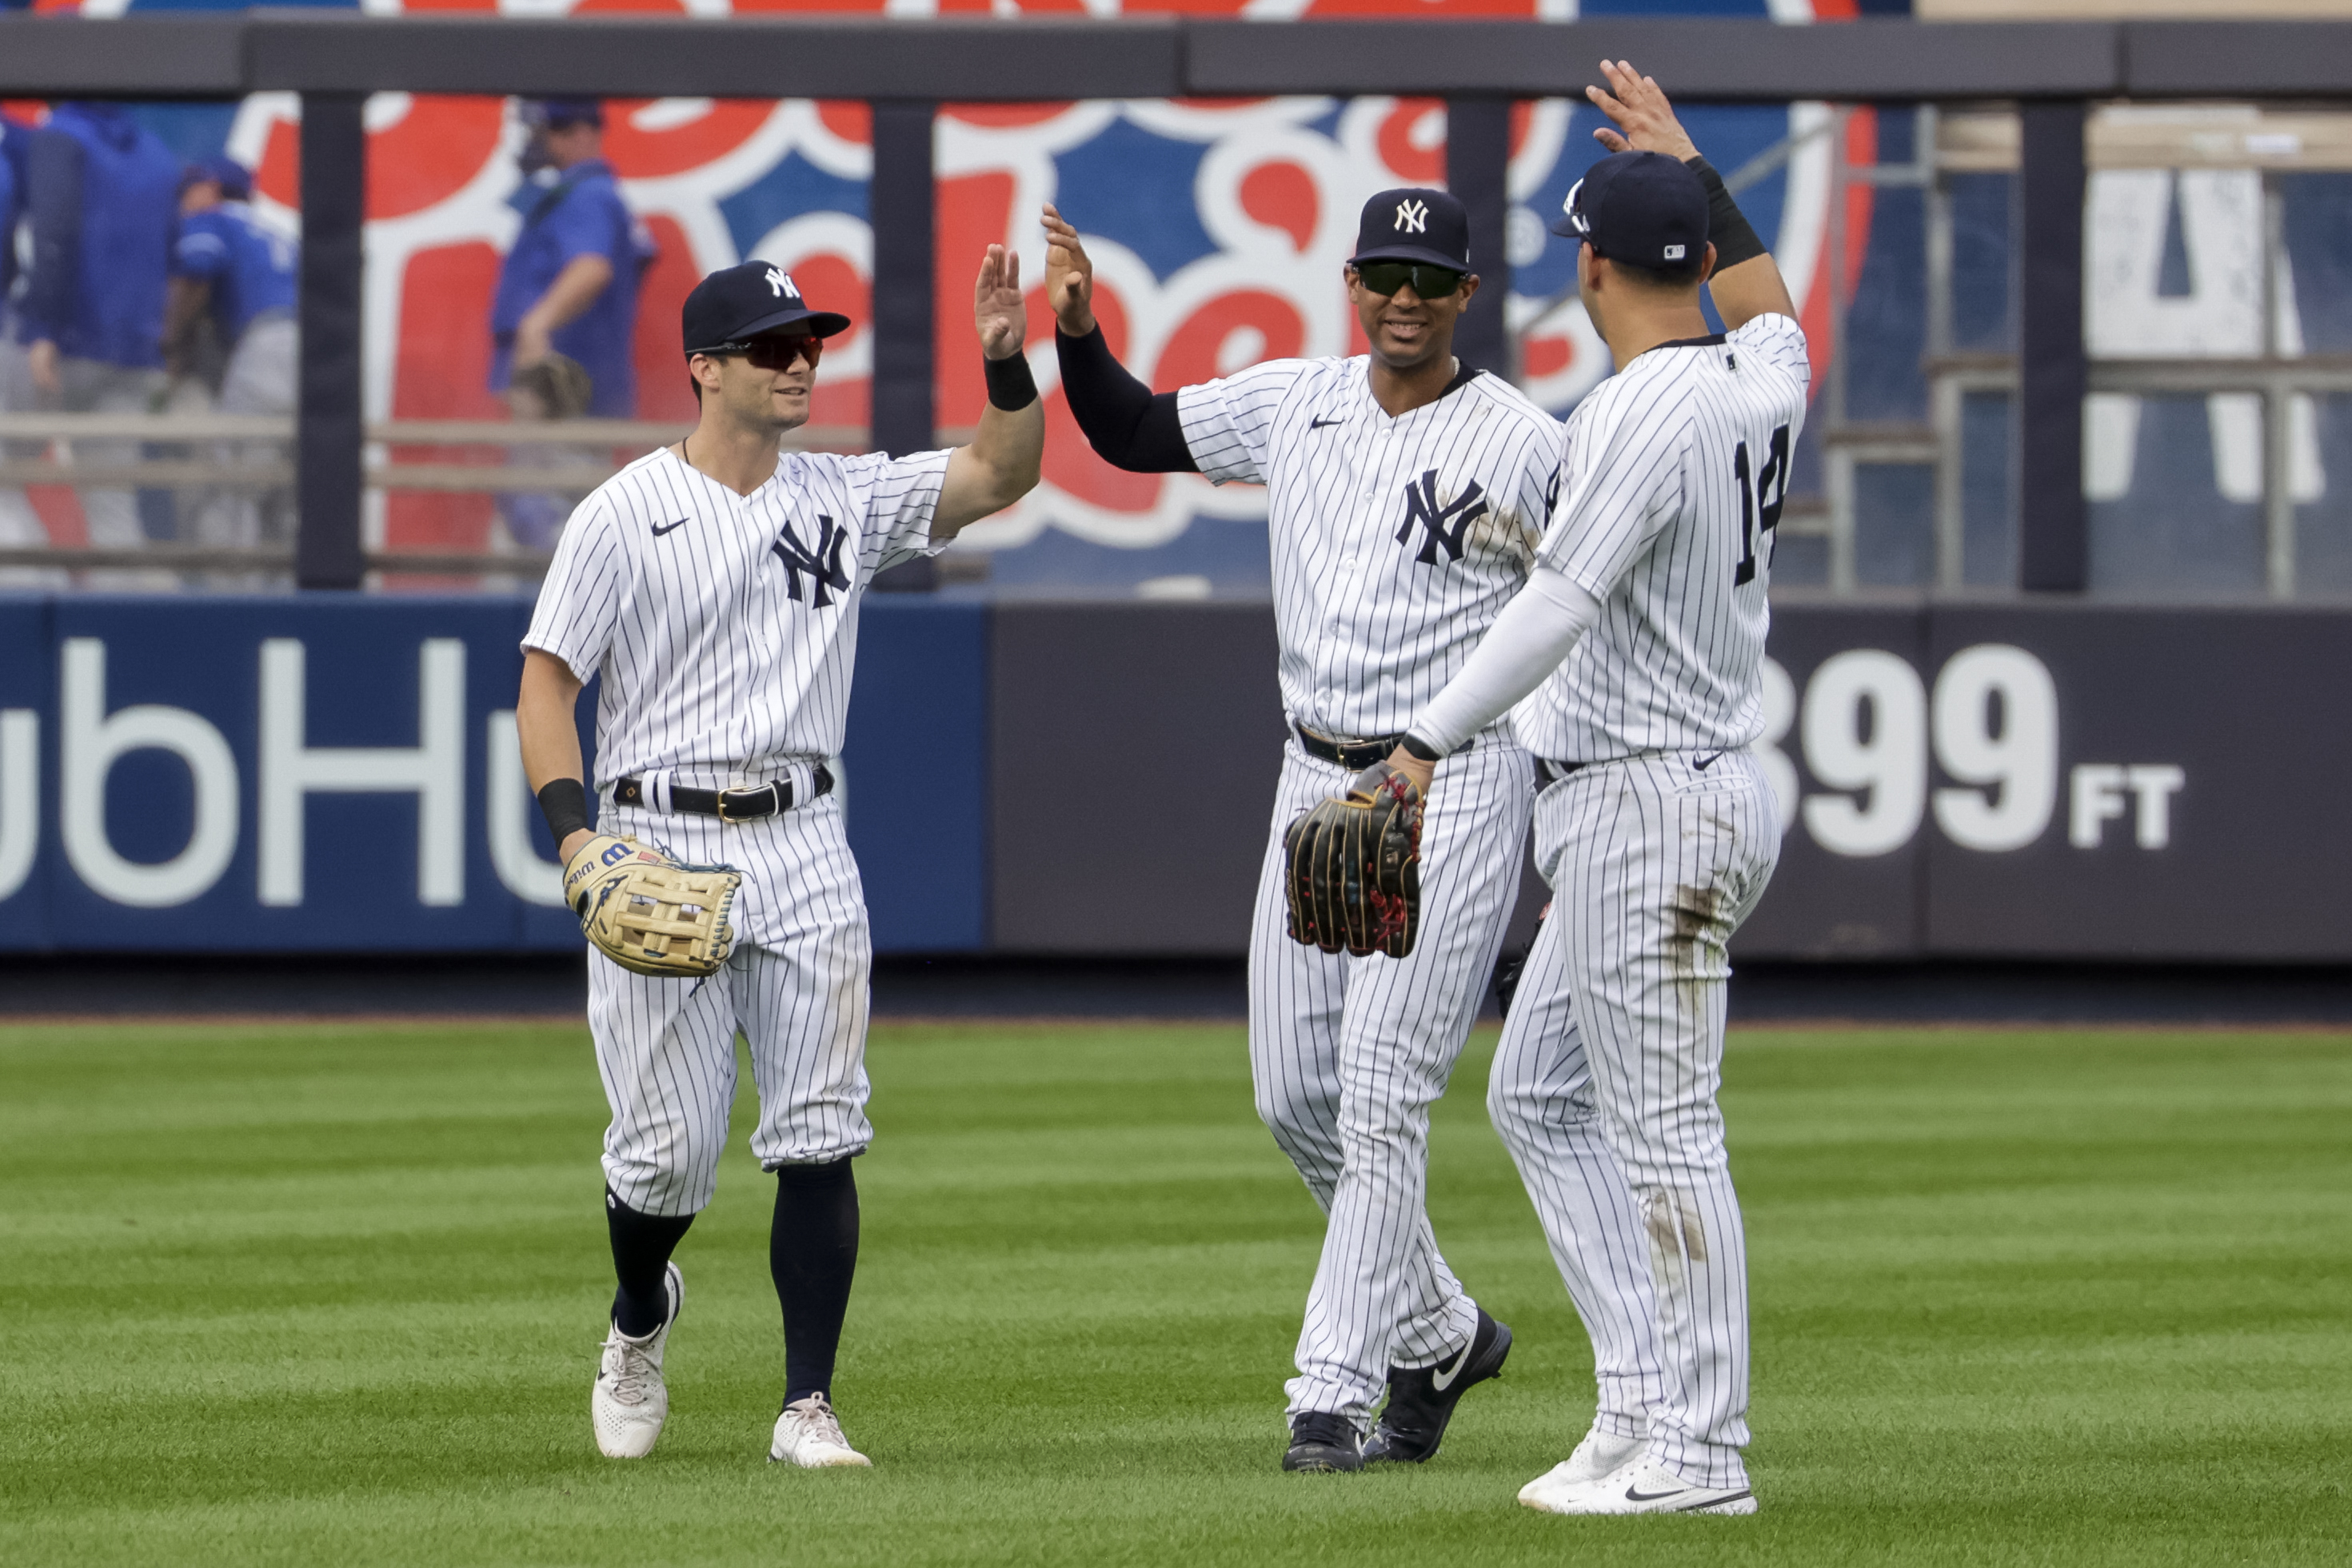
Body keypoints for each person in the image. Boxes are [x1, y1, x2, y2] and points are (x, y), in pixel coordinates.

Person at [1048, 190, 1563, 1472]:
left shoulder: (1526, 441)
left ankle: (1329, 1392)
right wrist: (1073, 330)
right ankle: (1441, 1332)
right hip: (1312, 778)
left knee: (1384, 1093)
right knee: (1296, 1097)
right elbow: (1124, 431)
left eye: (1426, 277)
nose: (1402, 295)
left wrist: (1552, 834)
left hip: (1451, 782)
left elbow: (1572, 632)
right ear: (1351, 279)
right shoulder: (1295, 400)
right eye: (1383, 271)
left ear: (1464, 296)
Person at [513, 252, 1044, 1467]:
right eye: (771, 346)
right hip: (657, 830)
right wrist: (576, 833)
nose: (800, 361)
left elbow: (998, 470)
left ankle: (807, 1403)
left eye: (809, 343)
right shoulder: (623, 512)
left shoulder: (842, 496)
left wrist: (1007, 355)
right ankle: (640, 1313)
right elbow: (548, 680)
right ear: (705, 368)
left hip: (804, 834)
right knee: (662, 1158)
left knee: (819, 1128)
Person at [1376, 62, 1807, 1516]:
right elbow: (1777, 310)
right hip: (1679, 785)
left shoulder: (1645, 412)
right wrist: (1698, 167)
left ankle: (1704, 1452)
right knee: (1539, 1095)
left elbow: (1557, 607)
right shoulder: (1758, 376)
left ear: (1591, 264)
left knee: (1668, 1132)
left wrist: (1425, 737)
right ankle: (1640, 1405)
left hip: (1646, 800)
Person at [14, 102, 180, 556]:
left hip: (62, 343)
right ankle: (131, 625)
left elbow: (54, 231)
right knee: (113, 505)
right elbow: (172, 251)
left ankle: (20, 613)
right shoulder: (158, 152)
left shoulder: (62, 135)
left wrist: (43, 327)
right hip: (133, 353)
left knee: (4, 484)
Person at [166, 155, 298, 553]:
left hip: (269, 347)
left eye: (187, 190)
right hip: (321, 357)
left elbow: (196, 275)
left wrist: (169, 342)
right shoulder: (279, 232)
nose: (181, 201)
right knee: (288, 496)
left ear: (209, 189)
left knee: (232, 490)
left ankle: (235, 603)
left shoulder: (214, 218)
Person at [490, 98, 651, 420]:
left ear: (578, 133)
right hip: (566, 397)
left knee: (560, 467)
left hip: (566, 401)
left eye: (542, 131)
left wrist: (536, 326)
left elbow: (591, 268)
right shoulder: (585, 193)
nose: (534, 141)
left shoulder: (588, 195)